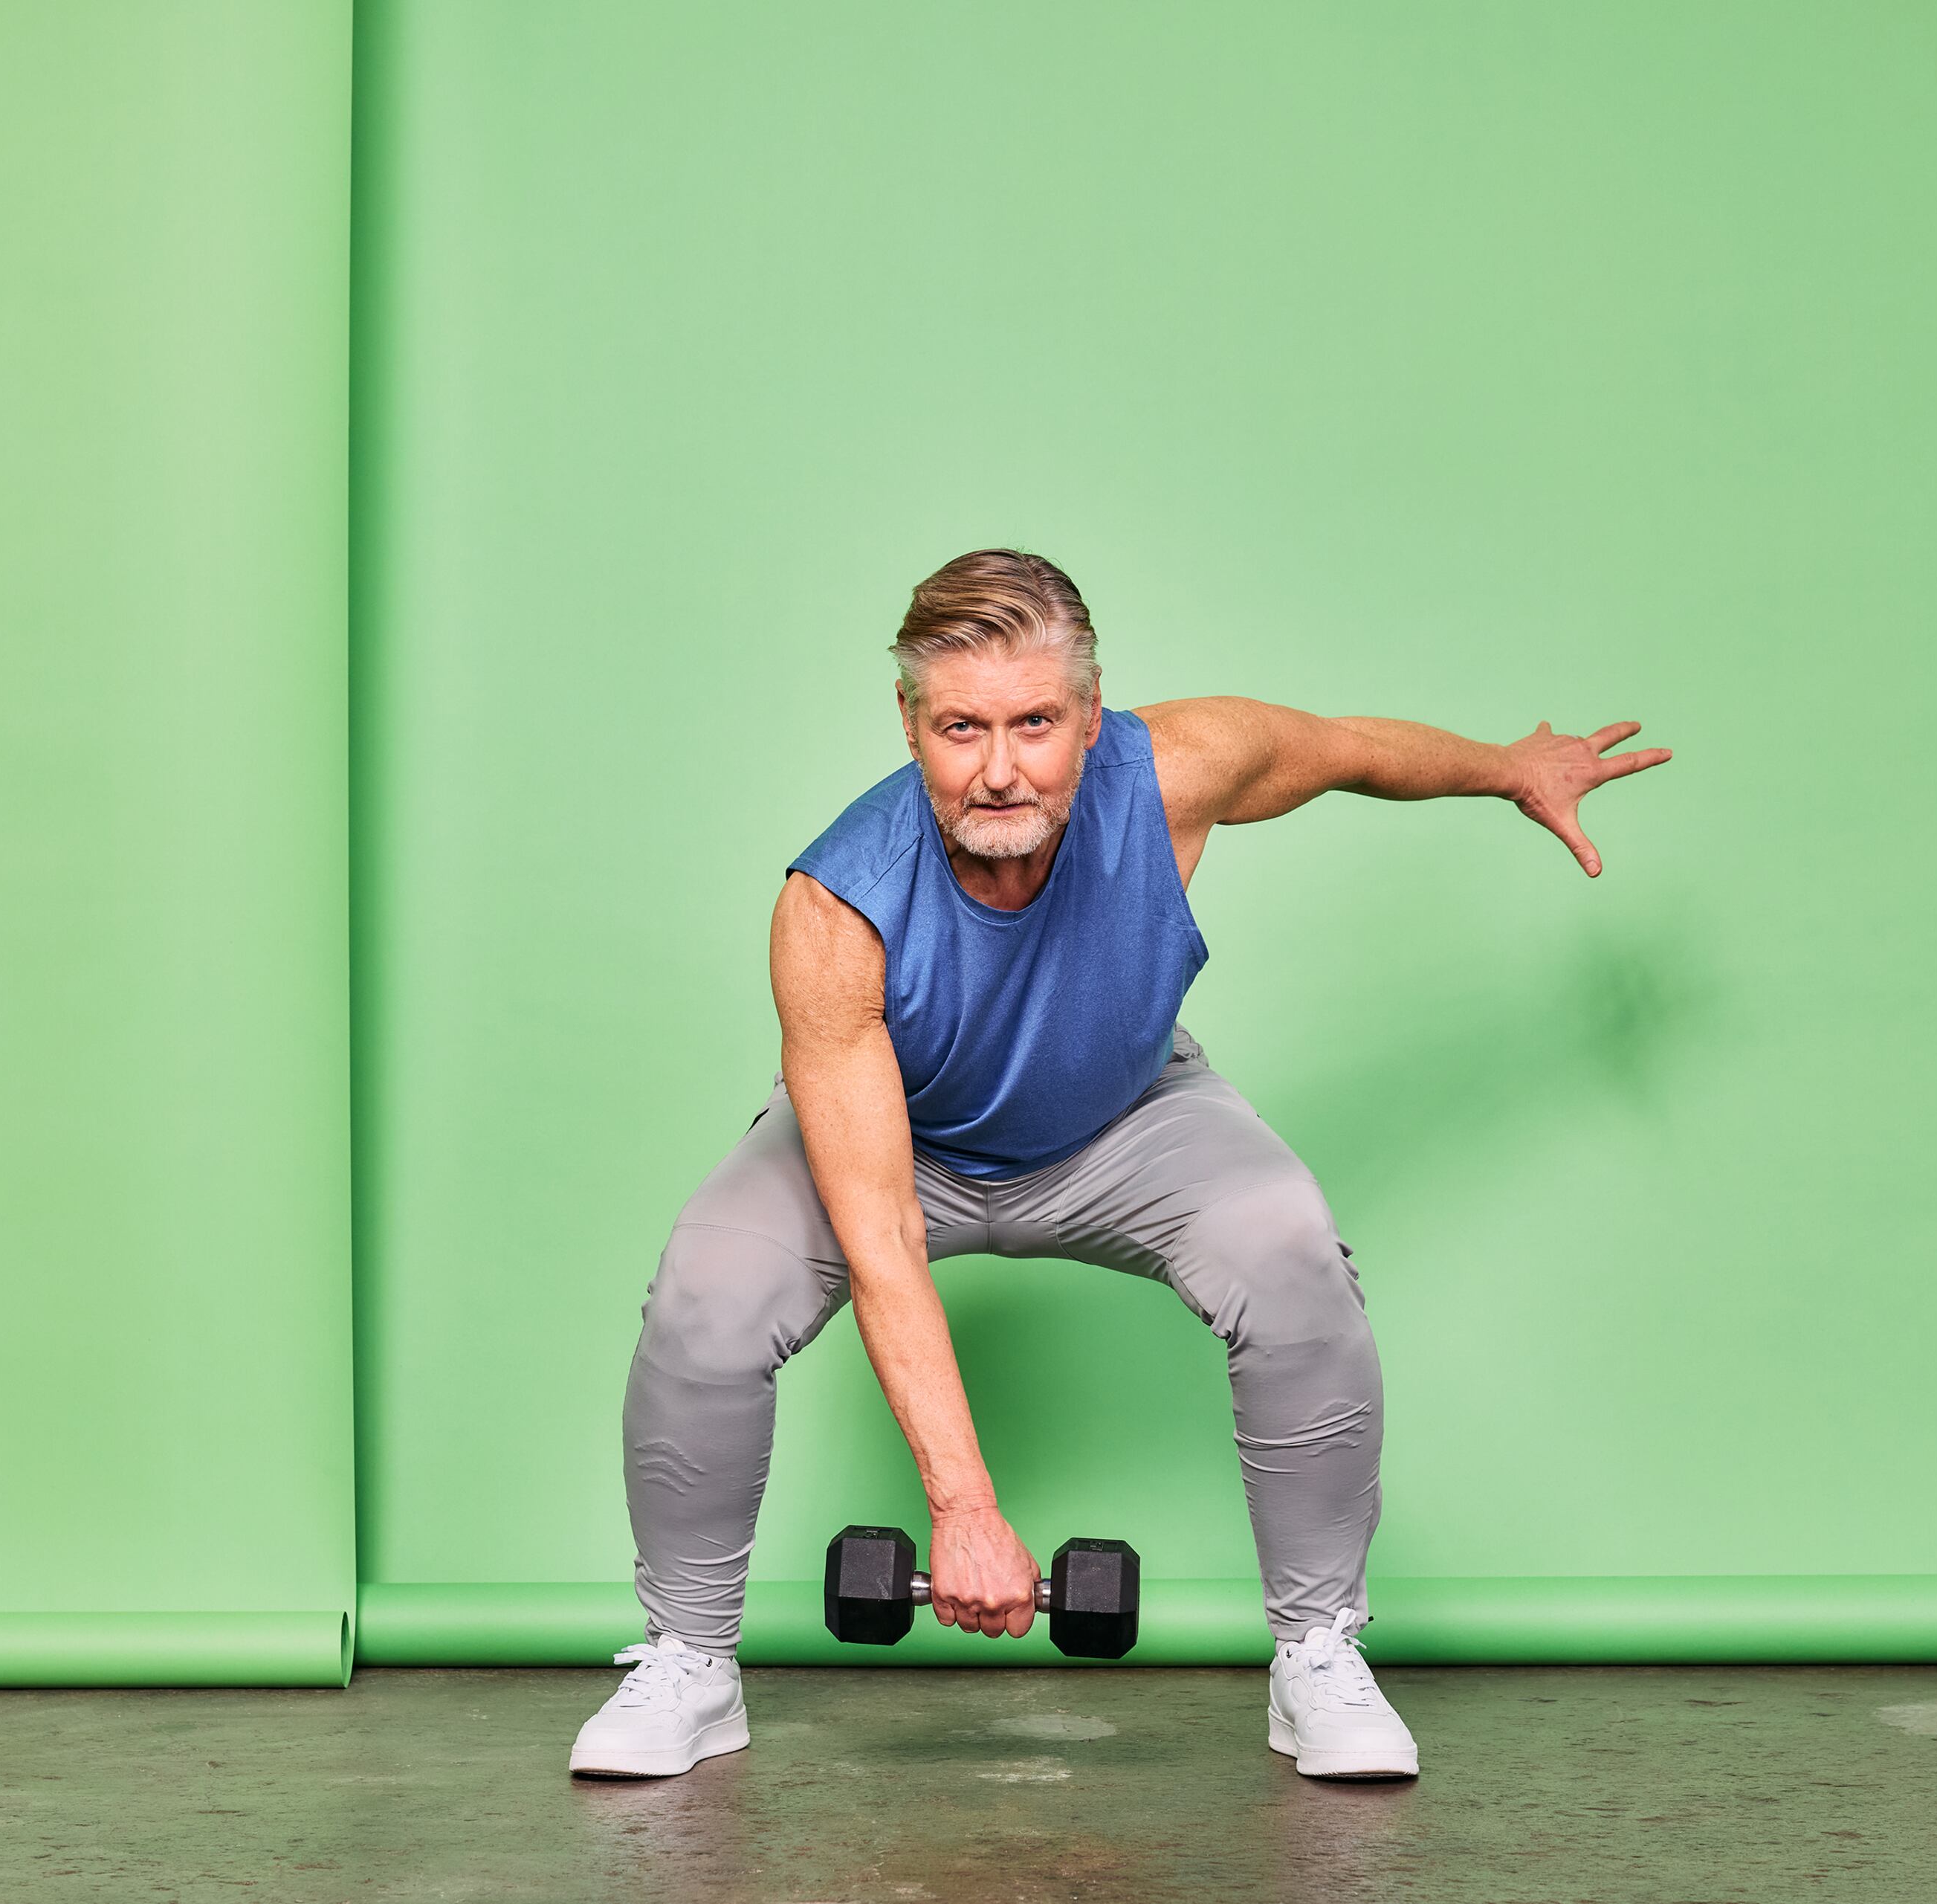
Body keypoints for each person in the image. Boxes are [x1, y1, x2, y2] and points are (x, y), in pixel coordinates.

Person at [569, 549, 1671, 1780]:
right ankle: (688, 1658)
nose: (999, 768)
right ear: (910, 725)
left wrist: (1510, 769)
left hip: (1124, 1121)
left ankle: (1318, 1651)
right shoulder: (836, 906)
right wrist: (966, 1508)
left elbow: (1351, 748)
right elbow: (877, 1235)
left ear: (1093, 717)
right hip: (903, 1148)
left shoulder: (1177, 772)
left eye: (1036, 722)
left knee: (1292, 1249)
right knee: (706, 1295)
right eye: (961, 728)